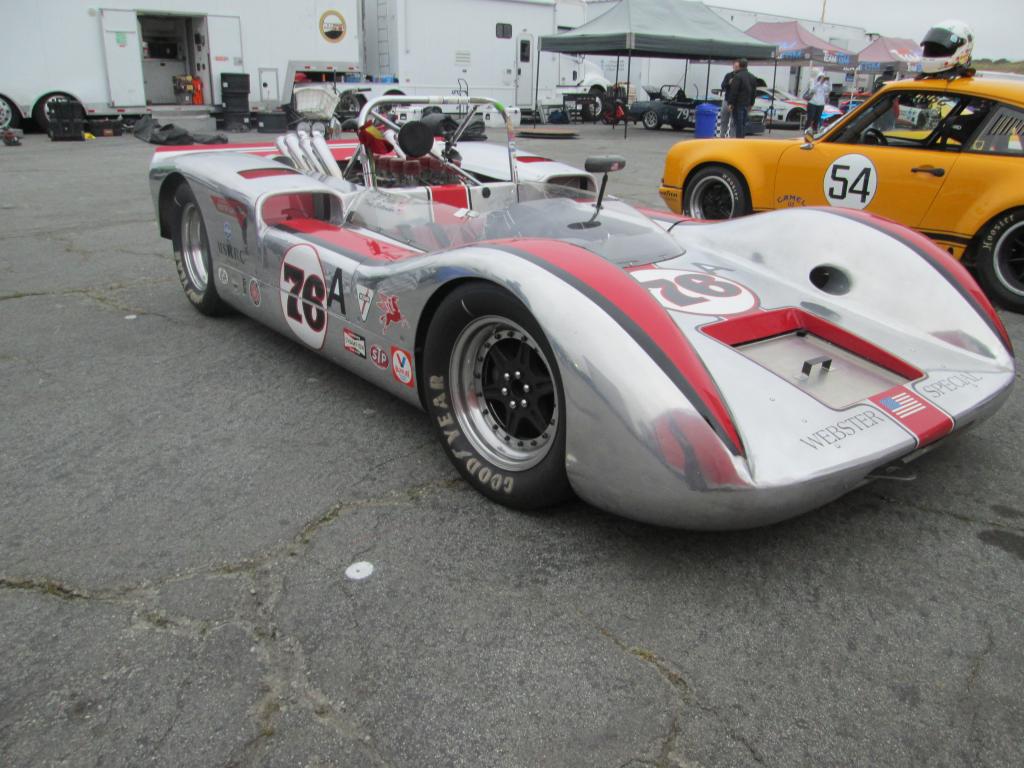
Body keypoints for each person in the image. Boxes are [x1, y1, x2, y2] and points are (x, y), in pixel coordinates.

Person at [726, 58, 757, 138]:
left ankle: (739, 140)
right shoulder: (752, 77)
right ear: (747, 65)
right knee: (743, 123)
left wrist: (730, 103)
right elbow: (754, 92)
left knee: (738, 124)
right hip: (747, 104)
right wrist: (752, 103)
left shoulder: (737, 76)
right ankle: (742, 139)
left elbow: (734, 91)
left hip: (738, 104)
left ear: (739, 65)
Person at [719, 61, 739, 136]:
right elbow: (723, 86)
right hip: (727, 100)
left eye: (737, 67)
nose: (736, 68)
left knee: (733, 122)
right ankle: (722, 135)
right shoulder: (728, 75)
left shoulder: (740, 76)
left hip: (736, 102)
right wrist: (728, 83)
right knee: (724, 120)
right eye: (735, 66)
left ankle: (732, 137)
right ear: (732, 66)